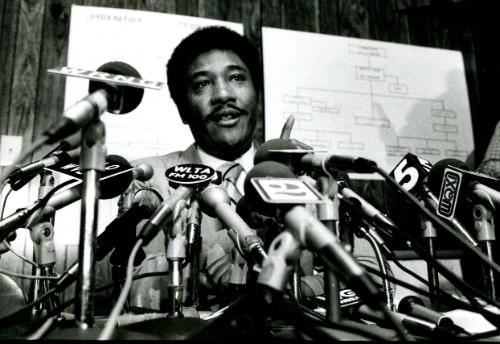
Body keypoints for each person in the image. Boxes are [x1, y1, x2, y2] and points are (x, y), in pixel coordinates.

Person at [111, 26, 390, 314]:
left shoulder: (305, 175)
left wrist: (299, 291)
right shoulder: (148, 179)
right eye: (202, 84)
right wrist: (229, 257)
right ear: (183, 109)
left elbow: (376, 276)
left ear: (257, 93)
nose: (222, 94)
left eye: (236, 78)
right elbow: (137, 291)